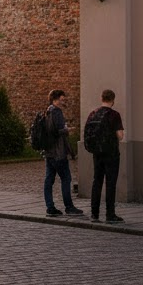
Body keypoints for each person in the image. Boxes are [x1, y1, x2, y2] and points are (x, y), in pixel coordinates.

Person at [85, 89, 125, 224]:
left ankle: (94, 214)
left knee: (97, 182)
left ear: (101, 98)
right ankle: (110, 214)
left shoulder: (93, 113)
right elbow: (120, 136)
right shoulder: (114, 115)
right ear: (113, 100)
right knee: (110, 183)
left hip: (97, 153)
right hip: (111, 153)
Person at [43, 89, 83, 217]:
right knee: (66, 179)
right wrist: (67, 130)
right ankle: (69, 207)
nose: (63, 100)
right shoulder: (57, 112)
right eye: (62, 98)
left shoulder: (47, 111)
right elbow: (58, 131)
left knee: (49, 180)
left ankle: (50, 207)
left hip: (48, 152)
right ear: (56, 99)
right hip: (58, 152)